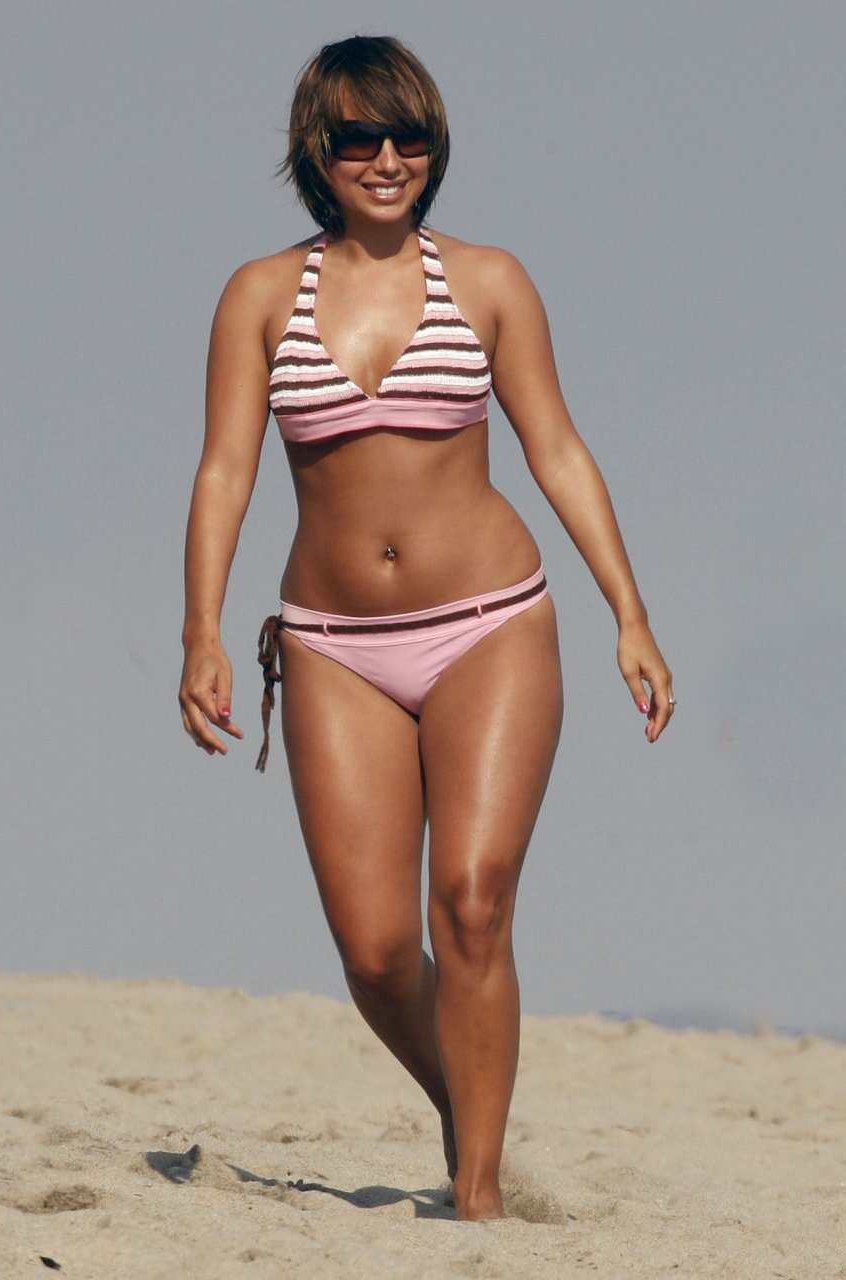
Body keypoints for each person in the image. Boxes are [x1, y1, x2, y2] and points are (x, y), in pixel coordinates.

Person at [179, 34, 674, 1221]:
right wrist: (201, 629)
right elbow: (224, 472)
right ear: (320, 150)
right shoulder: (260, 295)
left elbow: (558, 448)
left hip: (490, 625)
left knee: (474, 899)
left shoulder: (489, 281)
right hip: (333, 644)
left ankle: (479, 1196)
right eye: (361, 137)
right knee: (377, 951)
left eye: (410, 136)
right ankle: (470, 1100)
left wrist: (631, 611)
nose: (388, 158)